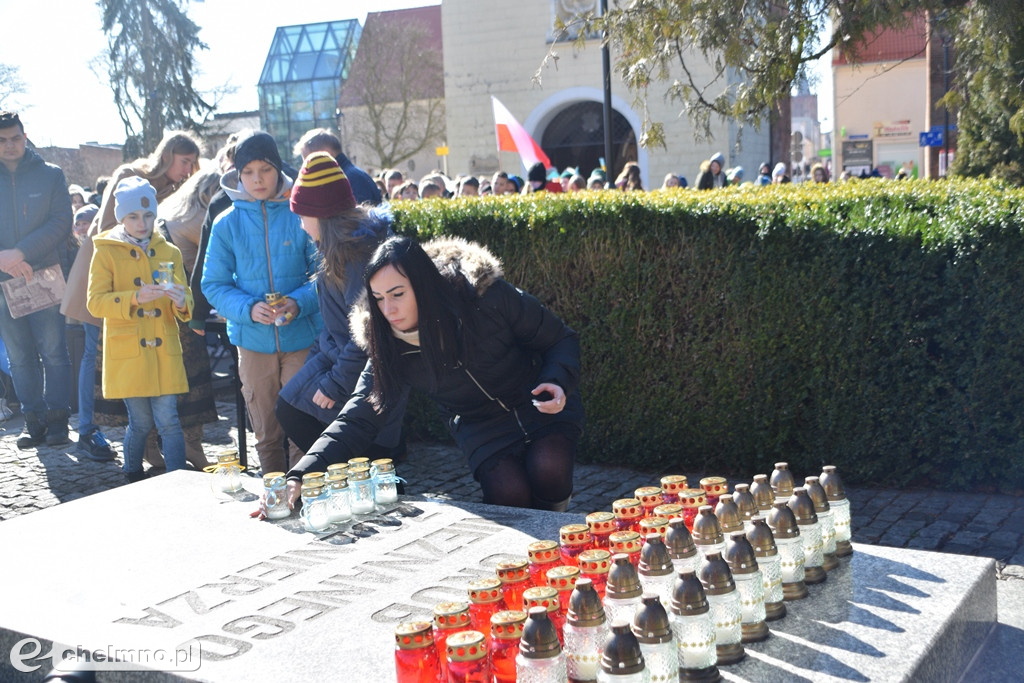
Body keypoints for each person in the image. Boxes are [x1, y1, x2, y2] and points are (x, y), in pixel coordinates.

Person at [272, 235, 584, 513]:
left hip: (536, 400)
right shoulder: (386, 341)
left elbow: (560, 339)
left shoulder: (485, 296)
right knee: (510, 494)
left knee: (549, 468)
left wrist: (557, 381)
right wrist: (299, 475)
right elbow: (357, 418)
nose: (388, 309)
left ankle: (558, 533)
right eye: (378, 298)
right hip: (479, 425)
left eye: (397, 294)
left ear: (423, 286)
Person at [62, 130, 201, 454]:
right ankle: (89, 429)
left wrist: (179, 299)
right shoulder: (129, 175)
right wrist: (133, 293)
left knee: (164, 413)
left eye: (193, 163)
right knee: (94, 355)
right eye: (185, 161)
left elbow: (164, 248)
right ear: (168, 156)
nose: (188, 169)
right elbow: (105, 230)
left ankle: (155, 454)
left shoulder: (169, 201)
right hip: (103, 277)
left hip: (153, 320)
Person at [201, 131, 321, 474]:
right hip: (252, 342)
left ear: (278, 171)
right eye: (249, 171)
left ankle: (306, 492)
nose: (257, 179)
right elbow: (214, 284)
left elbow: (325, 274)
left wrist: (298, 303)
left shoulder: (301, 214)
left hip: (302, 338)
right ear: (238, 174)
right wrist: (248, 309)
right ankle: (274, 492)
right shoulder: (226, 224)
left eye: (265, 170)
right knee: (266, 431)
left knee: (303, 426)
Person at [275, 152, 404, 456]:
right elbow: (335, 324)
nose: (301, 225)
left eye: (302, 216)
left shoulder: (358, 257)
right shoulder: (336, 249)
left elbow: (370, 335)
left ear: (321, 216)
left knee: (362, 442)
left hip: (359, 367)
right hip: (335, 356)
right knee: (289, 409)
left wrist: (335, 384)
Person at [86, 177, 193, 483]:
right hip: (129, 352)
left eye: (148, 215)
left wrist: (179, 300)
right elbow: (94, 303)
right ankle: (132, 474)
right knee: (142, 422)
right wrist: (134, 298)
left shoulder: (169, 251)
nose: (142, 223)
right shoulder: (106, 251)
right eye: (133, 216)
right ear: (121, 217)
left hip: (164, 350)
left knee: (170, 421)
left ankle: (179, 481)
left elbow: (187, 304)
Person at [0, 111, 74, 449]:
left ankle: (59, 421)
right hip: (2, 281)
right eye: (2, 140)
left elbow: (61, 222)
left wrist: (21, 253)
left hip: (44, 274)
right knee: (18, 356)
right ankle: (34, 422)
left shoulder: (50, 175)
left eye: (15, 137)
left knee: (54, 351)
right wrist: (5, 258)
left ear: (25, 136)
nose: (9, 145)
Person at [155, 164, 223, 470]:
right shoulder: (198, 217)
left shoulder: (175, 208)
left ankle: (180, 445)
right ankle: (189, 445)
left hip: (176, 306)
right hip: (183, 309)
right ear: (208, 192)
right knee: (191, 383)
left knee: (181, 383)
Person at [292, 128, 382, 205]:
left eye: (311, 160)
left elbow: (357, 222)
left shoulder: (350, 180)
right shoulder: (349, 177)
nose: (307, 167)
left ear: (327, 154)